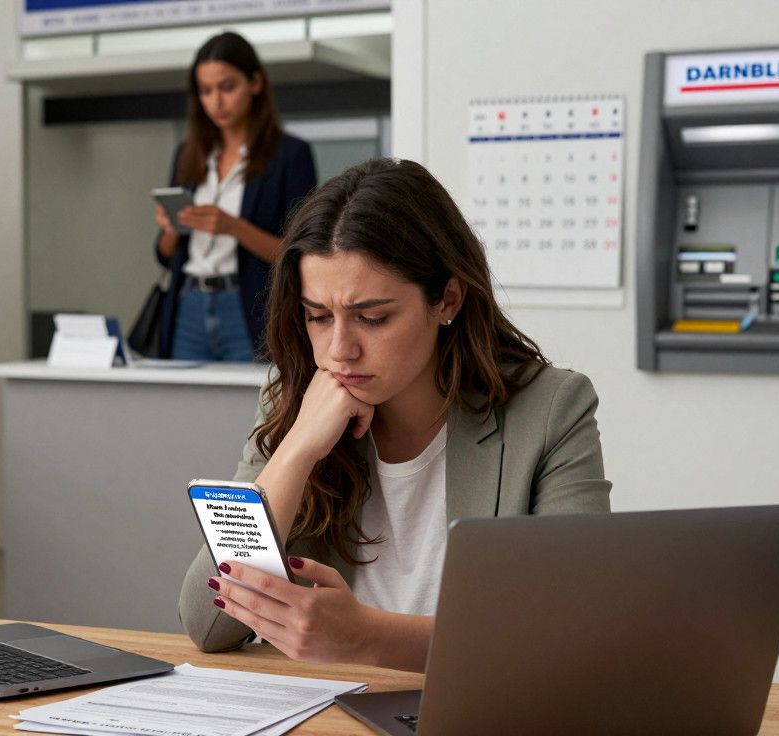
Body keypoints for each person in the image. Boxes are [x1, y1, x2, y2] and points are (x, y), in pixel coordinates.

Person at [177, 158, 611, 671]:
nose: (340, 349)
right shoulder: (295, 400)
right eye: (318, 316)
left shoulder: (550, 410)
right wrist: (296, 450)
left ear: (447, 298)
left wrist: (366, 637)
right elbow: (210, 624)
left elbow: (573, 632)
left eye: (373, 317)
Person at [153, 31, 317, 362]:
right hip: (188, 301)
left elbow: (302, 255)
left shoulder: (290, 155)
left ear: (255, 83)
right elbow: (164, 255)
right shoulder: (188, 154)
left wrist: (233, 227)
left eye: (227, 87)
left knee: (253, 408)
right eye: (206, 91)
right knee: (181, 407)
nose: (217, 101)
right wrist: (172, 229)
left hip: (248, 306)